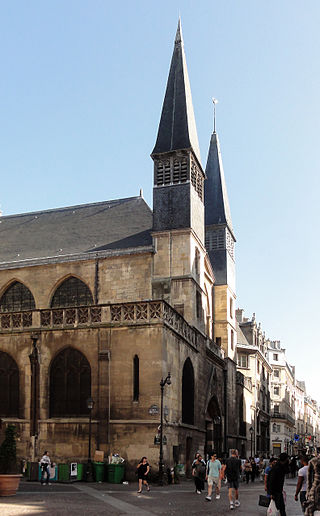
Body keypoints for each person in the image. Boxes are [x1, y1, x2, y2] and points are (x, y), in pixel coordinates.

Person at [304, 448, 320, 515]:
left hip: (315, 487)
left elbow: (309, 479)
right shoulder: (313, 461)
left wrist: (308, 491)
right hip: (316, 488)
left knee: (310, 509)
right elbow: (309, 479)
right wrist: (308, 491)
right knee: (310, 509)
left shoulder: (312, 461)